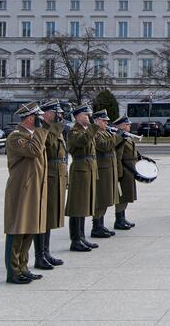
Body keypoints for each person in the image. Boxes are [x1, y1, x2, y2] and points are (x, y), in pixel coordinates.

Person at [4, 102, 48, 284]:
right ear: (30, 118)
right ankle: (13, 272)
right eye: (38, 118)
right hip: (21, 190)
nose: (41, 121)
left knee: (29, 229)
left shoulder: (32, 135)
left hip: (33, 189)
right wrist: (40, 130)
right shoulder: (16, 137)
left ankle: (23, 267)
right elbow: (34, 151)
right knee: (17, 229)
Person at [33, 100, 67, 270]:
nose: (60, 116)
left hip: (56, 174)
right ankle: (39, 256)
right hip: (48, 175)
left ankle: (46, 252)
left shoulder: (53, 129)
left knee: (50, 216)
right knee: (43, 216)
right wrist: (57, 126)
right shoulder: (43, 129)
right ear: (47, 114)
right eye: (56, 113)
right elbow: (50, 146)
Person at [65, 104, 99, 252]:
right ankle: (75, 239)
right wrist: (93, 127)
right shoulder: (74, 131)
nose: (88, 117)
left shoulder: (85, 130)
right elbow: (82, 142)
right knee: (77, 206)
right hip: (80, 170)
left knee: (84, 204)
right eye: (86, 115)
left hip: (87, 169)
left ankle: (82, 236)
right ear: (78, 117)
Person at [91, 110, 121, 238]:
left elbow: (114, 147)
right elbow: (104, 146)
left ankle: (101, 224)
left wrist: (120, 138)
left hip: (109, 169)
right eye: (104, 121)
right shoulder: (96, 134)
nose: (106, 123)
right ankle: (96, 226)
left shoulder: (106, 132)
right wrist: (117, 136)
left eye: (107, 121)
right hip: (102, 170)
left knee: (107, 198)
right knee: (101, 199)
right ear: (97, 121)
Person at [112, 116, 139, 229]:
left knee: (127, 195)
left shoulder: (127, 137)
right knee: (122, 196)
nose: (129, 126)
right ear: (121, 126)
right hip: (124, 169)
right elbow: (118, 157)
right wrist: (119, 173)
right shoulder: (119, 137)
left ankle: (122, 218)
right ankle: (119, 220)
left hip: (130, 169)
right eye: (127, 124)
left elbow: (133, 152)